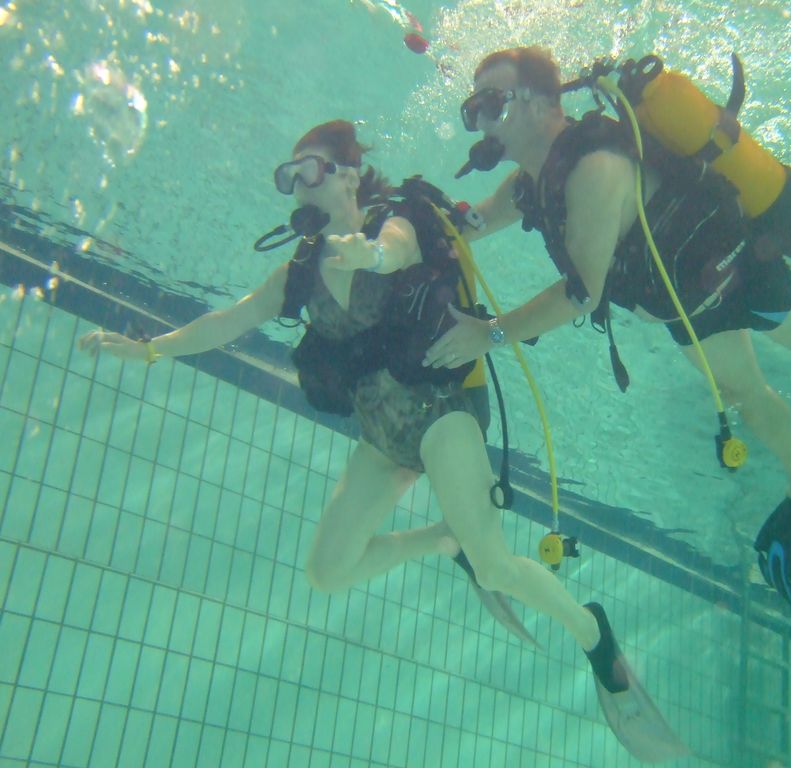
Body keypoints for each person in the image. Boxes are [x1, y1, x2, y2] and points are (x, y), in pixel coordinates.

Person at [78, 119, 686, 761]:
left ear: (347, 175)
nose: (298, 185)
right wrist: (151, 349)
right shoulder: (299, 273)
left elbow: (392, 249)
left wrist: (367, 254)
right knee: (327, 570)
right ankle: (442, 538)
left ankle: (594, 636)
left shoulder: (397, 222)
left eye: (310, 169)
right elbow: (229, 319)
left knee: (495, 567)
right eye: (289, 177)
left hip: (443, 411)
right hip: (381, 434)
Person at [423, 45, 791, 627]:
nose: (480, 121)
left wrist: (490, 334)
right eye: (472, 110)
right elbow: (469, 223)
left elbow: (582, 292)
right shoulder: (531, 184)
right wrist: (405, 225)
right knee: (743, 394)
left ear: (538, 103)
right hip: (686, 306)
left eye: (490, 104)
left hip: (737, 270)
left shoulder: (595, 170)